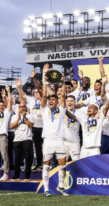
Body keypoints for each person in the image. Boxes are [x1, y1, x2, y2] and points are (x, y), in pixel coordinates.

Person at [40, 68, 69, 197]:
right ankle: (46, 189)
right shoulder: (44, 110)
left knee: (63, 165)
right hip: (48, 140)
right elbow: (43, 97)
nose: (51, 101)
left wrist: (63, 82)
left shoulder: (61, 110)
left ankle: (60, 187)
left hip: (60, 140)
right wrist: (45, 82)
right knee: (46, 165)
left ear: (56, 102)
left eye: (53, 99)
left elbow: (63, 96)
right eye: (50, 100)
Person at [16, 77, 44, 172]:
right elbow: (23, 95)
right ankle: (39, 164)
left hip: (44, 127)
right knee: (37, 147)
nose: (36, 94)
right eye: (35, 92)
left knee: (46, 147)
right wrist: (19, 87)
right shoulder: (31, 100)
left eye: (38, 92)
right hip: (34, 126)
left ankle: (48, 164)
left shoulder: (46, 100)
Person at [10, 101, 34, 181]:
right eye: (20, 107)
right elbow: (12, 126)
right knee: (17, 158)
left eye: (23, 107)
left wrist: (24, 118)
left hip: (27, 138)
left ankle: (27, 176)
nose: (22, 108)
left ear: (26, 108)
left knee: (27, 158)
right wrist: (18, 119)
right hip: (17, 139)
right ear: (18, 108)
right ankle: (16, 175)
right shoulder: (14, 116)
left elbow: (31, 125)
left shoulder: (30, 116)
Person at [63, 95, 82, 161]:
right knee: (62, 165)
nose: (69, 102)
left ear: (75, 102)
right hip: (64, 142)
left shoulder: (80, 113)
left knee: (76, 164)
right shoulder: (62, 112)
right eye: (68, 101)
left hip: (75, 142)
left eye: (71, 101)